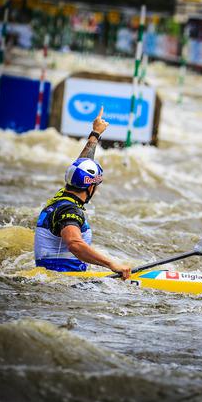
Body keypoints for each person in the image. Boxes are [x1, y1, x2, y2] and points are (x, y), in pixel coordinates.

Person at [34, 108, 131, 279]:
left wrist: (95, 133)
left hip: (54, 277)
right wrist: (112, 264)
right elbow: (74, 244)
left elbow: (81, 166)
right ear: (90, 187)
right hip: (63, 283)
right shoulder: (70, 211)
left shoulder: (61, 198)